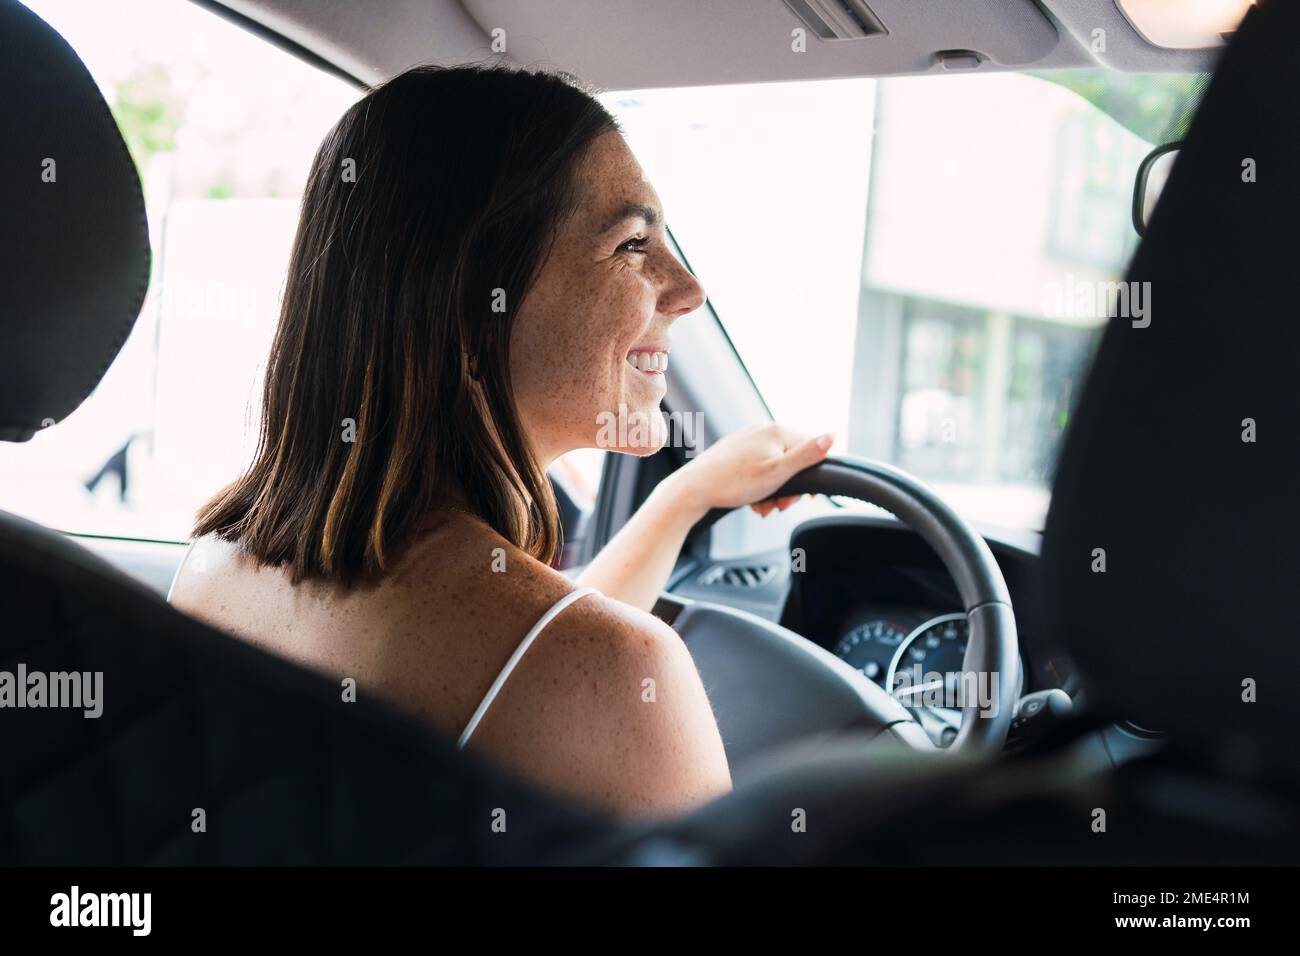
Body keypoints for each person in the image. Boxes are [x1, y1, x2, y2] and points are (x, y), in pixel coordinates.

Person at [169, 64, 833, 818]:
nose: (687, 289)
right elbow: (553, 659)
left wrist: (683, 500)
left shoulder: (213, 568)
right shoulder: (617, 674)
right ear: (470, 302)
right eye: (631, 243)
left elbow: (526, 655)